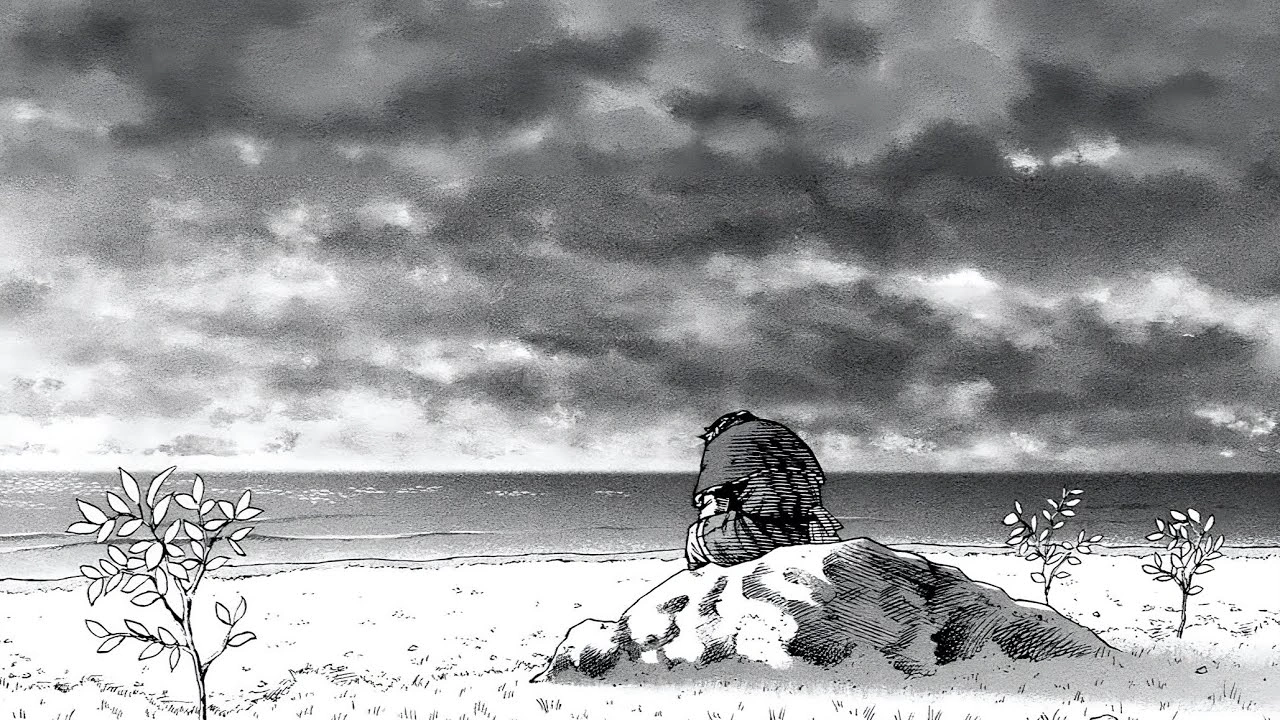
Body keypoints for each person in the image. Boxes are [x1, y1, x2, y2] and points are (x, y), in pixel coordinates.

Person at [685, 410, 843, 570]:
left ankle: (697, 573)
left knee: (695, 534)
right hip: (804, 535)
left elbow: (715, 503)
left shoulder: (724, 444)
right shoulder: (785, 438)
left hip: (755, 538)